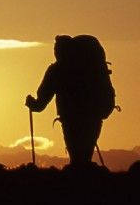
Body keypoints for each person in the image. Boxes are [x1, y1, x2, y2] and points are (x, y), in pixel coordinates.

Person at [25, 35, 112, 167]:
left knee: (77, 156)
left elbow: (41, 103)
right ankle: (88, 181)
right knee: (84, 155)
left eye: (57, 49)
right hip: (93, 116)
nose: (55, 53)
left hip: (70, 119)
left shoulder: (56, 71)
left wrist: (32, 104)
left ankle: (76, 181)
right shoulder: (88, 69)